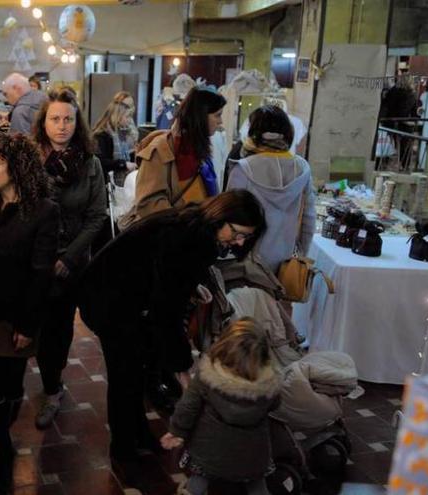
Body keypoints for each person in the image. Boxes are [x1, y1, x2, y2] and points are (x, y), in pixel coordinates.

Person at [78, 190, 266, 493]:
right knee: (125, 374)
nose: (240, 242)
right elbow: (166, 308)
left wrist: (194, 287)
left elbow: (168, 282)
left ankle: (139, 435)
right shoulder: (190, 238)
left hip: (128, 295)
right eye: (238, 233)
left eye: (247, 237)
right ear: (221, 217)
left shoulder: (197, 227)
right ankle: (123, 452)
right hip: (107, 298)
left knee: (139, 368)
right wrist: (182, 367)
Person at [0, 133, 60, 494]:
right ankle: (1, 449)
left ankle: (0, 432)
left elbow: (40, 273)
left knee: (11, 384)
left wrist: (28, 324)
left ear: (17, 168)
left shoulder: (44, 210)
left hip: (14, 312)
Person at [32, 87, 108, 429]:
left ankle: (53, 385)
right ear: (43, 122)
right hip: (37, 258)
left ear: (78, 123)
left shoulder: (90, 164)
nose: (61, 125)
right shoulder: (30, 160)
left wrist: (70, 257)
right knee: (38, 326)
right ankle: (44, 386)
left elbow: (97, 216)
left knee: (61, 329)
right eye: (55, 119)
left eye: (68, 119)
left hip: (74, 260)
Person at [161, 318, 281, 495]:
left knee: (199, 479)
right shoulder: (269, 386)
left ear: (224, 344)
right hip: (253, 455)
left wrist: (177, 431)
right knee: (256, 484)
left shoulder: (207, 377)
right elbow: (276, 404)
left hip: (209, 452)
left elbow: (187, 408)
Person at [225, 105, 316, 272]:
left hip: (247, 264)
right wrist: (301, 254)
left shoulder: (243, 168)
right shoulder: (303, 168)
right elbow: (309, 220)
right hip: (286, 264)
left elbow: (229, 218)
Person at [130, 88, 227, 223]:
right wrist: (181, 226)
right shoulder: (160, 150)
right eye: (217, 115)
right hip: (173, 235)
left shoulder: (199, 147)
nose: (220, 121)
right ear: (201, 115)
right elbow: (148, 203)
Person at [92, 91, 139, 185]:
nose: (130, 120)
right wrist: (123, 164)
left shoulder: (121, 133)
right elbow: (100, 162)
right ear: (118, 116)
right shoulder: (103, 134)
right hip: (105, 184)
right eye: (127, 117)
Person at [239, 96, 307, 156]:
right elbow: (300, 148)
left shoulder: (255, 119)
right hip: (286, 164)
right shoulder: (296, 122)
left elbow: (243, 139)